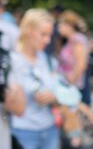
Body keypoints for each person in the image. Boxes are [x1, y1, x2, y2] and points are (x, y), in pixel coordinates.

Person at [8, 8, 60, 149]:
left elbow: (63, 93)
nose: (47, 40)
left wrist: (53, 97)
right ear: (29, 30)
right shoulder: (11, 62)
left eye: (49, 35)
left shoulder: (49, 61)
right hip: (23, 132)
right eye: (43, 34)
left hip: (50, 130)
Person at [57, 10, 91, 104]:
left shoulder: (77, 40)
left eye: (61, 24)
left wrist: (71, 80)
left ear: (69, 26)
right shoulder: (70, 40)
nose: (59, 27)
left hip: (74, 84)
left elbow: (81, 63)